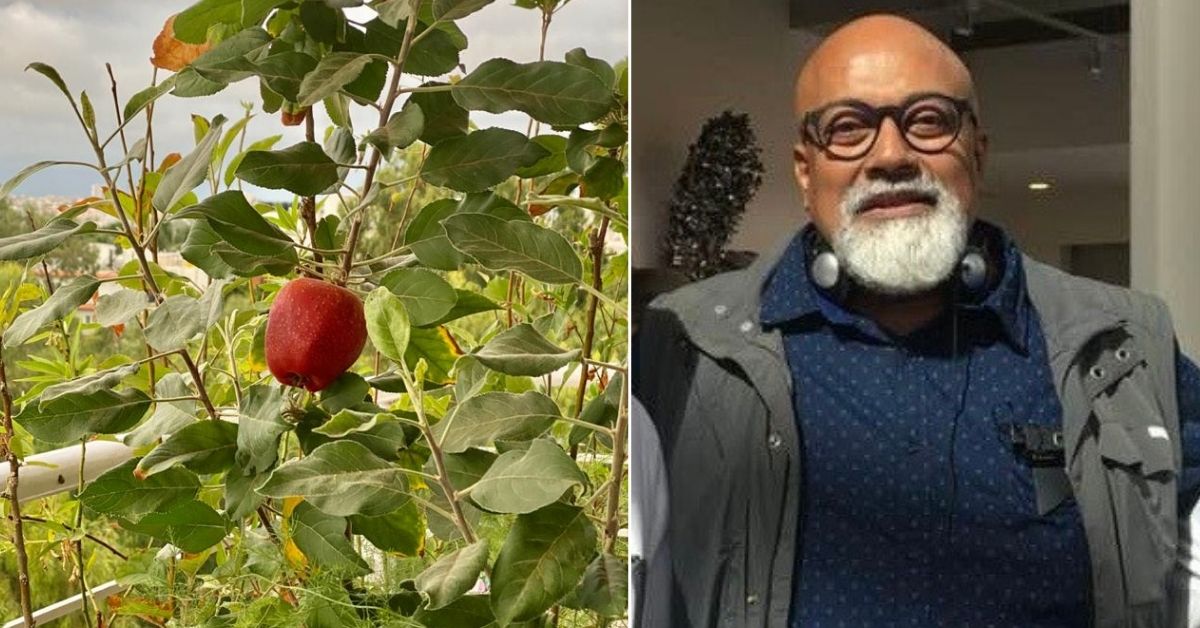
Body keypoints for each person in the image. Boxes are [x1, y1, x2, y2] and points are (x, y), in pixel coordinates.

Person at [634, 14, 1200, 628]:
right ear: (805, 171)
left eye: (928, 120)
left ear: (977, 153)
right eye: (847, 127)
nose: (891, 155)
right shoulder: (678, 348)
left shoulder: (1122, 347)